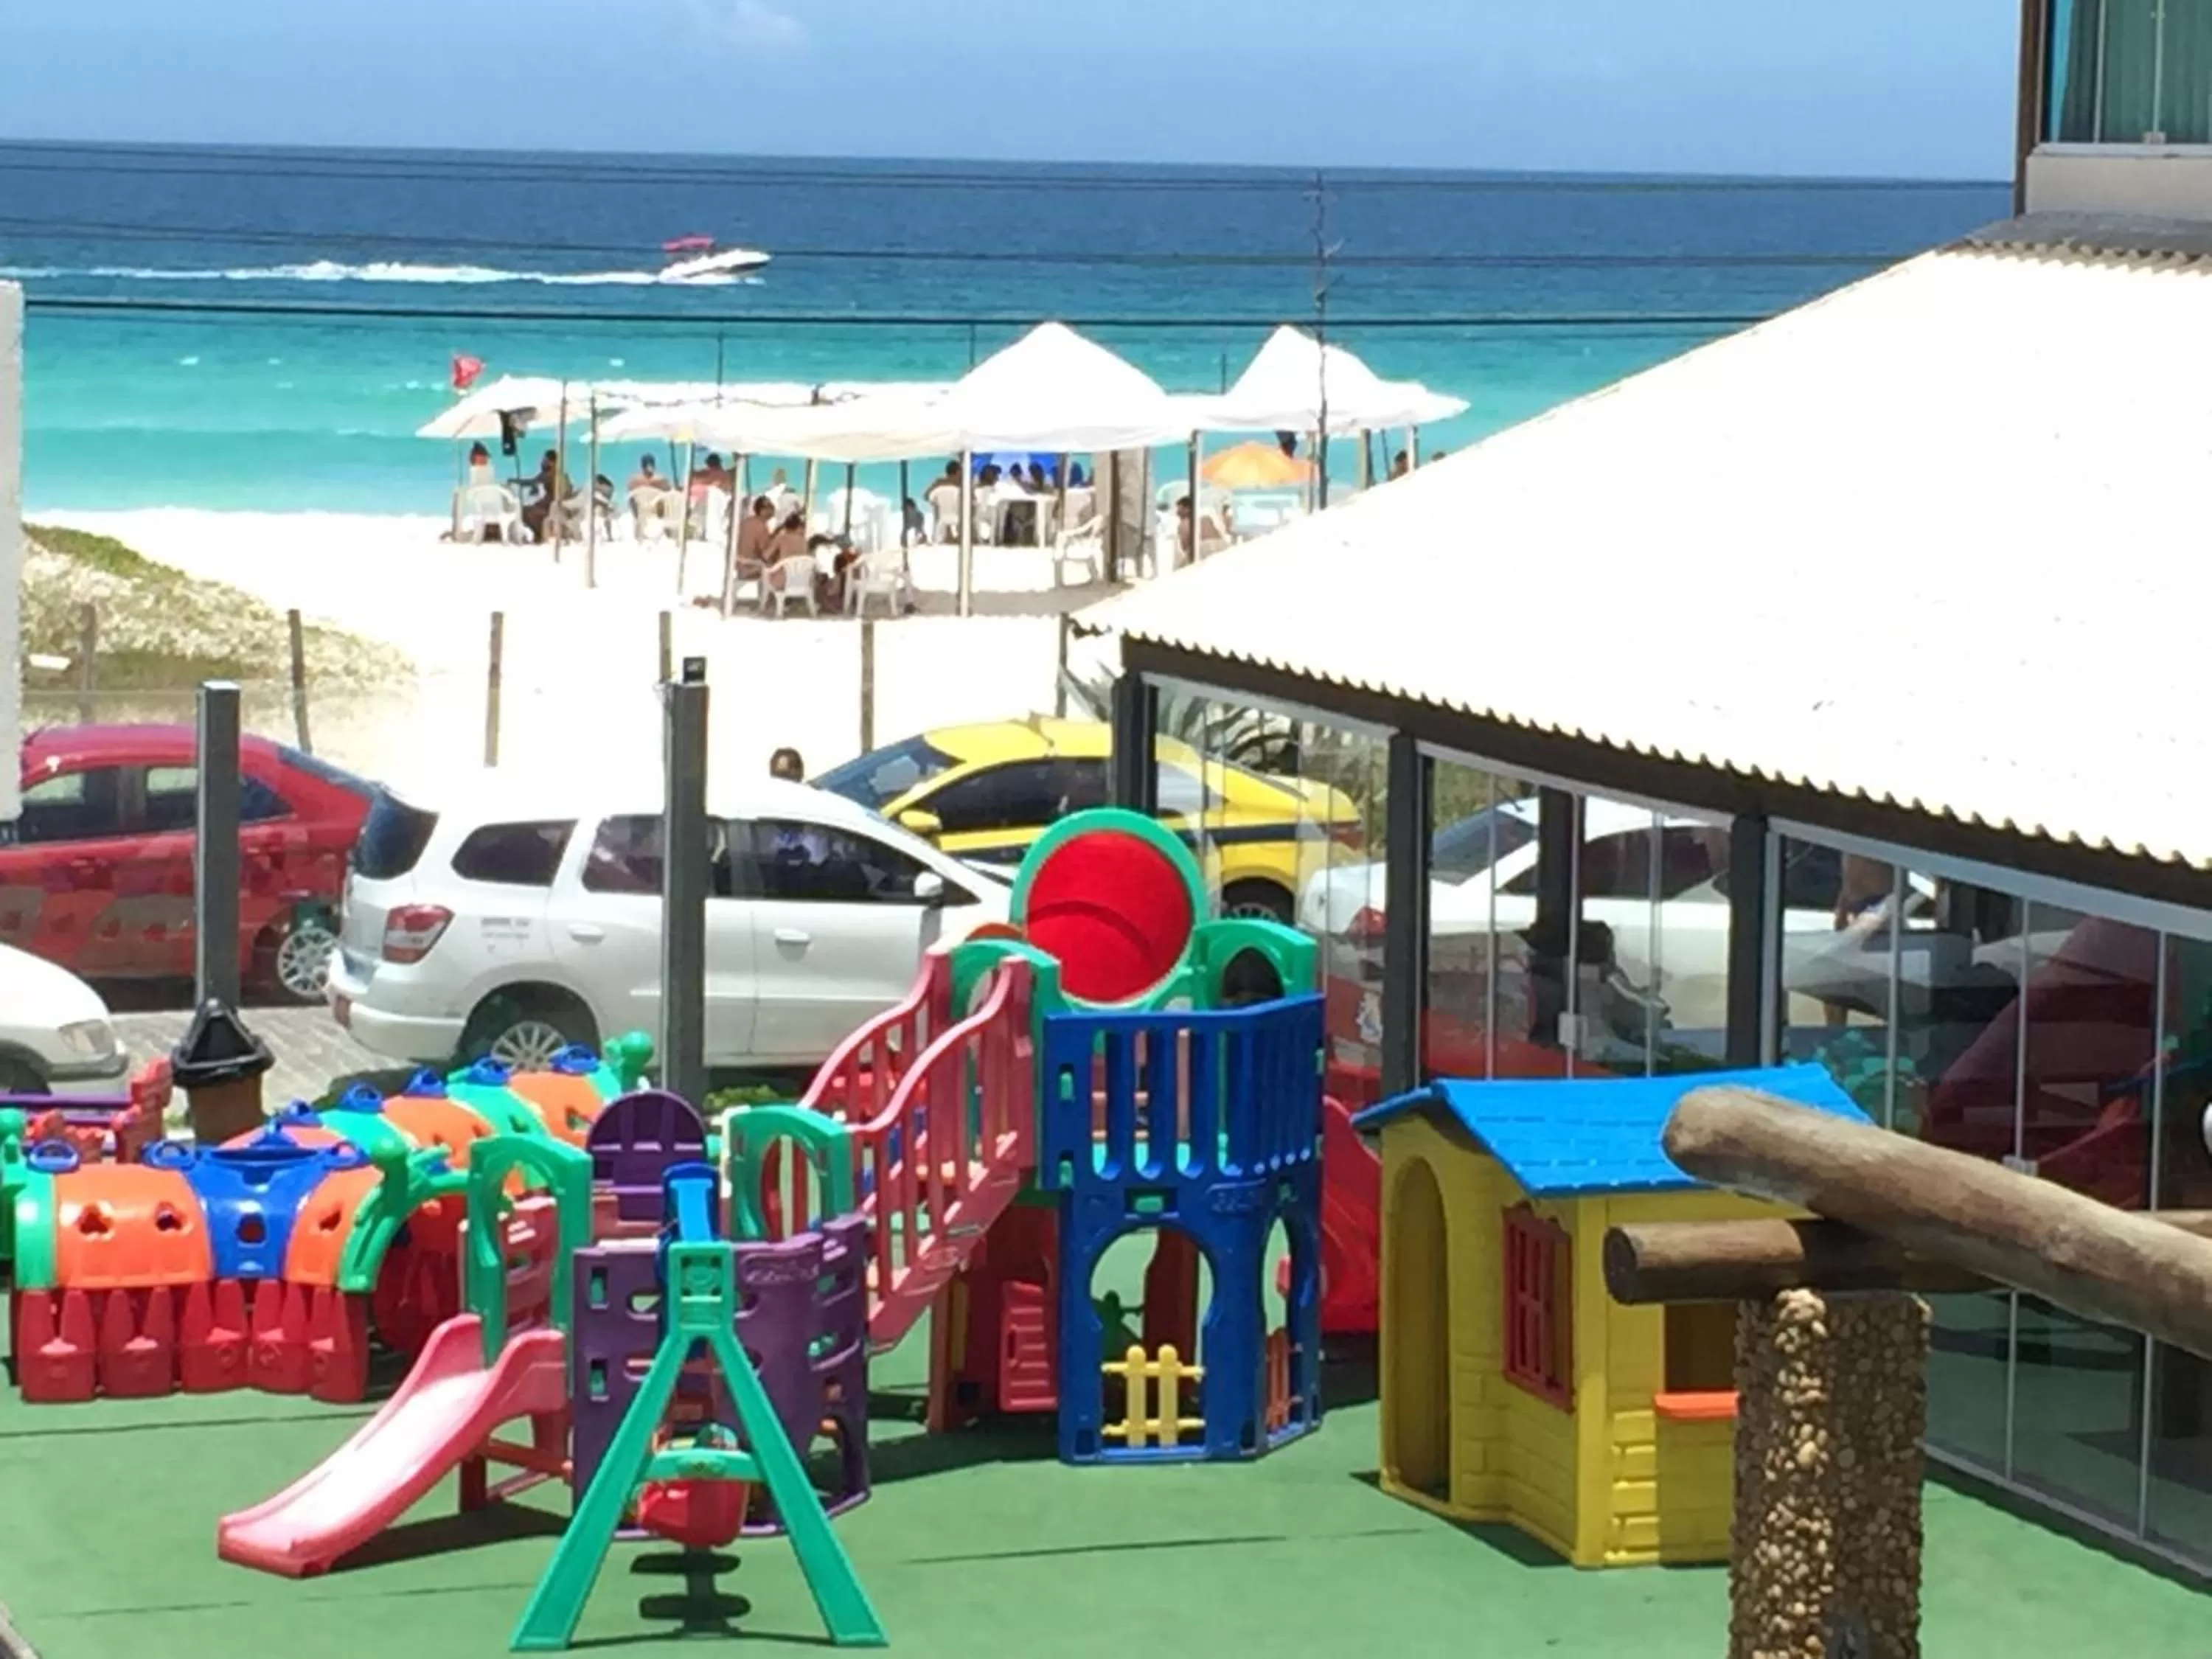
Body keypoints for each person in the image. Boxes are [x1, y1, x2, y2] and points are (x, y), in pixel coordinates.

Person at [521, 449, 571, 541]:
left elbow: (533, 482)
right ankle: (539, 535)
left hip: (552, 508)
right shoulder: (556, 473)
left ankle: (540, 535)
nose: (542, 463)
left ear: (551, 462)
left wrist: (513, 481)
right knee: (526, 510)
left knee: (525, 512)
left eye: (544, 461)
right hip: (550, 506)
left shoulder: (552, 474)